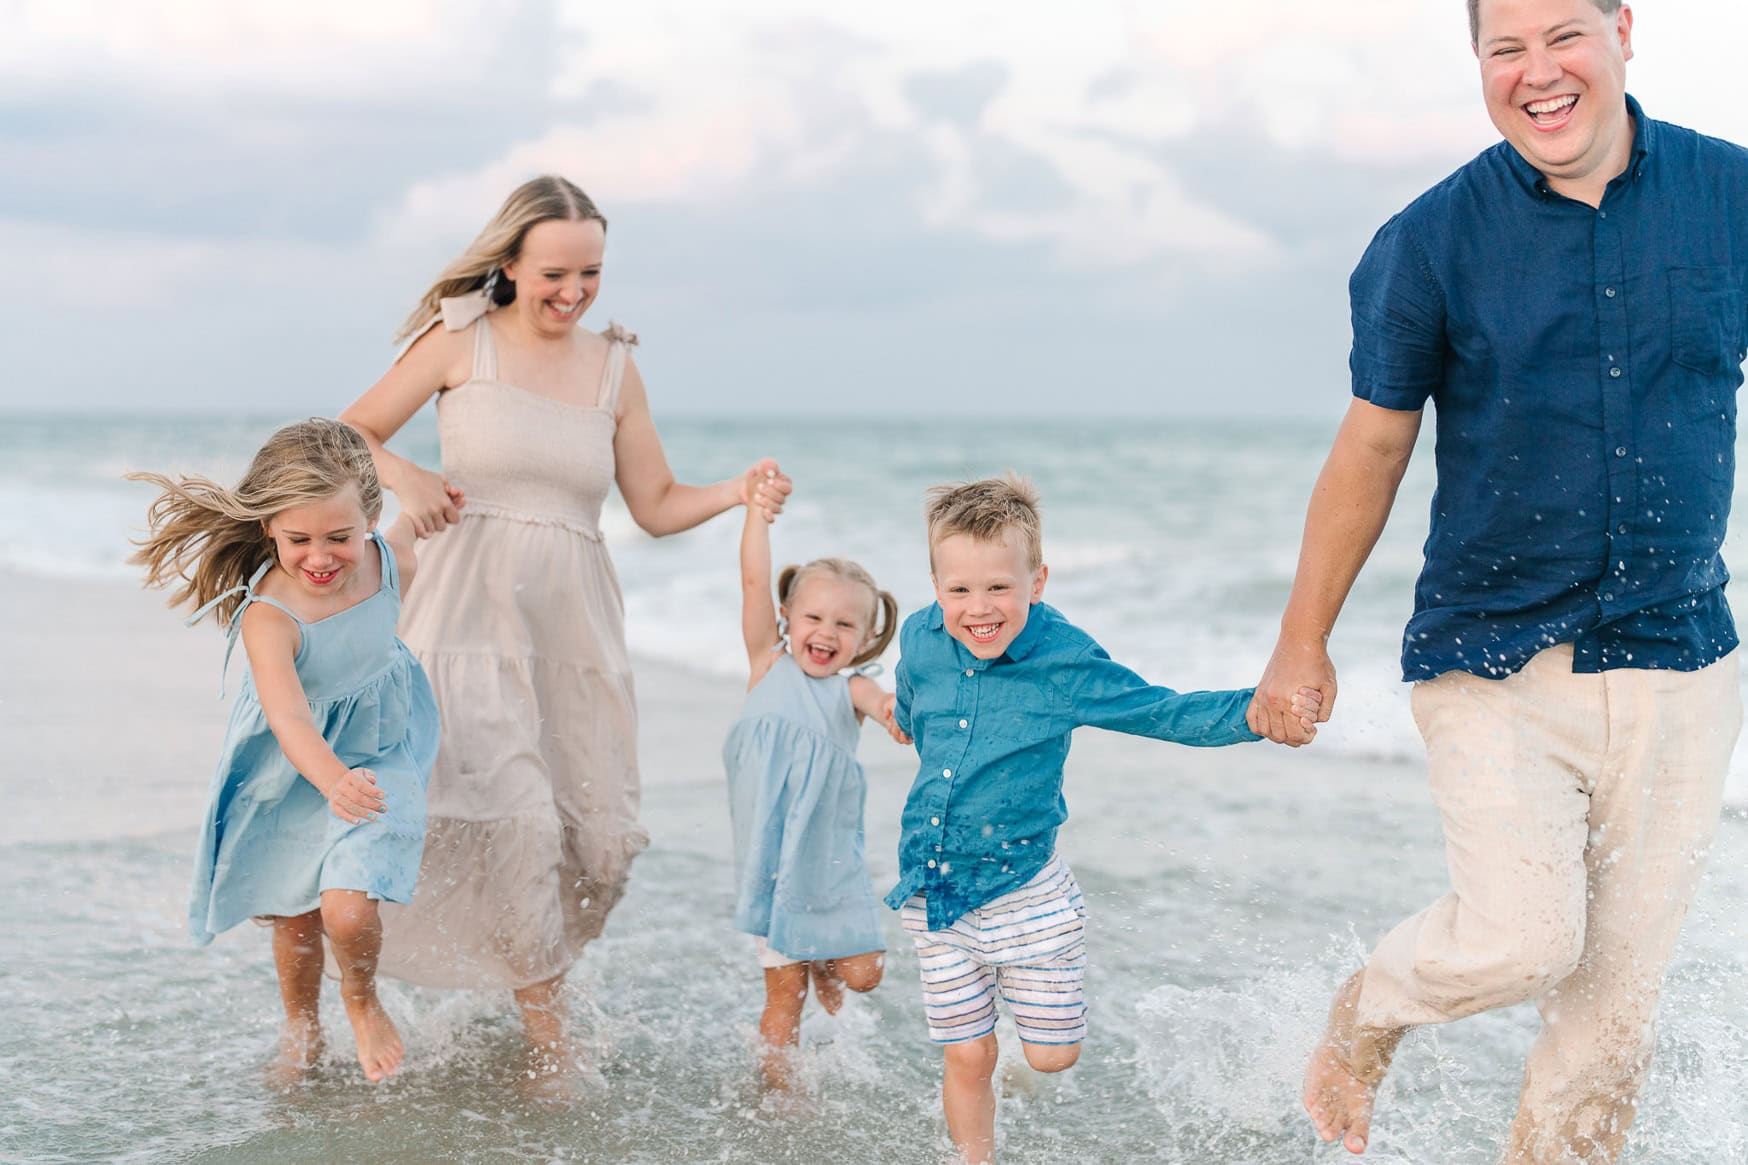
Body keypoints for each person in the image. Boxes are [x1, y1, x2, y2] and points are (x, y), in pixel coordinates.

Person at [1245, 2, 1748, 1160]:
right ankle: (1368, 1008)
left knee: (1608, 1022)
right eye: (1502, 50)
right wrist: (1299, 640)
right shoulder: (1425, 241)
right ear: (1476, 65)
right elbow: (1370, 448)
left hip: (1681, 660)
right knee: (1523, 938)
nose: (1537, 74)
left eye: (1562, 36)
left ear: (1623, 30)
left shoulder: (1729, 199)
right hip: (1492, 661)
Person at [339, 175, 790, 1083]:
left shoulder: (615, 367)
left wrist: (736, 491)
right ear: (508, 263)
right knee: (513, 821)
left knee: (599, 837)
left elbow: (656, 503)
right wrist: (409, 478)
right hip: (467, 618)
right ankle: (550, 1041)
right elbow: (348, 432)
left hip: (575, 629)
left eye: (590, 272)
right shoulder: (460, 339)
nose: (574, 291)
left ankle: (515, 977)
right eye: (555, 272)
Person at [887, 475, 1319, 1164]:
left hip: (1025, 887)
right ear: (935, 584)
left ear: (1038, 580)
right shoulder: (921, 635)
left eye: (1000, 586)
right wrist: (900, 716)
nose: (979, 608)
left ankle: (1034, 975)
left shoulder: (1063, 660)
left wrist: (1256, 712)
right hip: (936, 883)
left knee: (1052, 1056)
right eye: (959, 590)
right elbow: (912, 691)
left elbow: (1159, 709)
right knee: (967, 1051)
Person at [129, 417, 438, 1085]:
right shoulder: (271, 613)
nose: (320, 556)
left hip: (382, 752)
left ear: (367, 522)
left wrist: (428, 499)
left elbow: (411, 528)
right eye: (299, 539)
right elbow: (289, 715)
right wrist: (329, 778)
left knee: (347, 907)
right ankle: (301, 1023)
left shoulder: (389, 560)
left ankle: (360, 1000)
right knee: (293, 912)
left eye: (340, 537)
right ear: (269, 526)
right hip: (291, 767)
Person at [723, 476, 909, 1088]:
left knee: (865, 974)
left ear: (865, 637)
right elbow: (754, 575)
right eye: (814, 617)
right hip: (774, 870)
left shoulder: (848, 689)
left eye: (845, 625)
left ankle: (829, 957)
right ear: (787, 617)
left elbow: (880, 700)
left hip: (829, 864)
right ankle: (780, 1096)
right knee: (786, 998)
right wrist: (756, 513)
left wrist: (894, 715)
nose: (827, 633)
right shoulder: (766, 663)